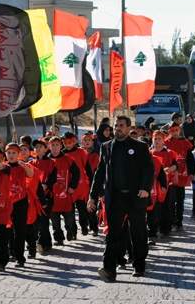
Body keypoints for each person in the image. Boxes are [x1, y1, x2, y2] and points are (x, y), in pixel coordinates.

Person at [88, 115, 154, 282]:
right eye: (115, 125)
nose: (117, 128)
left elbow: (148, 169)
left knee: (137, 233)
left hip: (135, 197)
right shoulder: (106, 147)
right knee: (113, 235)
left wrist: (145, 188)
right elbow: (100, 173)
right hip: (115, 197)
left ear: (128, 128)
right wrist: (92, 196)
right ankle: (109, 269)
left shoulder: (140, 147)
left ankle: (139, 265)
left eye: (121, 125)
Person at [5, 143, 34, 267]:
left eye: (14, 153)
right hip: (6, 202)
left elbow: (31, 174)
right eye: (9, 153)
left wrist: (25, 166)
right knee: (8, 230)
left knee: (20, 230)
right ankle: (11, 252)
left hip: (21, 202)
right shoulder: (3, 167)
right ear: (5, 154)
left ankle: (20, 257)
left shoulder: (23, 165)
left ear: (18, 154)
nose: (11, 155)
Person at [48, 136, 79, 245]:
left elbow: (76, 173)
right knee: (55, 222)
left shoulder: (68, 159)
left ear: (61, 146)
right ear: (49, 146)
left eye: (57, 145)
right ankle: (59, 238)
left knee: (69, 220)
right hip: (52, 197)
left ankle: (71, 231)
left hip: (66, 195)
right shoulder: (47, 160)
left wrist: (72, 186)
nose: (55, 147)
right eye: (53, 145)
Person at [63, 132, 92, 236]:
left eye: (69, 142)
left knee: (82, 209)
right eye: (65, 142)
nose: (67, 144)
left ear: (74, 141)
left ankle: (84, 226)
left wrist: (92, 182)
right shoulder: (62, 154)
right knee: (69, 211)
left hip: (81, 186)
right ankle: (72, 231)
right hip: (67, 186)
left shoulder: (81, 152)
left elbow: (88, 169)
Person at [31, 139, 56, 254]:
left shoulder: (51, 162)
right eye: (36, 147)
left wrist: (46, 185)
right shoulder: (31, 163)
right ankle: (47, 242)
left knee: (44, 220)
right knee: (37, 221)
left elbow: (53, 177)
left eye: (40, 147)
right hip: (34, 197)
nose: (38, 149)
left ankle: (41, 243)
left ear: (46, 149)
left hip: (47, 196)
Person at [81, 132, 101, 235]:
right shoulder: (79, 153)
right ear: (82, 142)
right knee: (82, 207)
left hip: (92, 183)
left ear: (92, 142)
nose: (87, 142)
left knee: (91, 206)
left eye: (89, 140)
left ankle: (94, 227)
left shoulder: (96, 154)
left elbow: (97, 170)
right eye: (85, 140)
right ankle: (85, 225)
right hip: (80, 185)